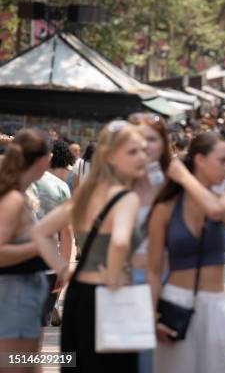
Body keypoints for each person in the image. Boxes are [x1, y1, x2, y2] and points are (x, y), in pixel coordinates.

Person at [32, 121, 148, 372]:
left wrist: (63, 270)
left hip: (80, 296)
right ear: (111, 156)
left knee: (79, 364)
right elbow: (119, 243)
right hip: (114, 296)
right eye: (133, 151)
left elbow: (40, 232)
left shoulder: (86, 195)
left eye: (142, 150)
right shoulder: (126, 197)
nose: (141, 157)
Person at [147, 132, 225, 373]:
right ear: (200, 160)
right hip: (175, 300)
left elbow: (215, 211)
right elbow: (154, 268)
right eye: (222, 160)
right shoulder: (165, 208)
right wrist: (152, 316)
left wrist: (185, 178)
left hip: (215, 305)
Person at [0, 129, 51, 368]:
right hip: (14, 298)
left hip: (20, 298)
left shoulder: (17, 195)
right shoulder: (14, 199)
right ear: (43, 161)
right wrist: (38, 246)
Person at [128, 112, 172, 373]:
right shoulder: (115, 184)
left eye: (152, 139)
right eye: (138, 139)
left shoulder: (176, 184)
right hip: (123, 281)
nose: (145, 145)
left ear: (164, 143)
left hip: (170, 281)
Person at [32, 167, 73, 328]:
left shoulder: (7, 181)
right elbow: (66, 231)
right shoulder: (59, 185)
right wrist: (62, 269)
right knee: (38, 328)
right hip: (46, 265)